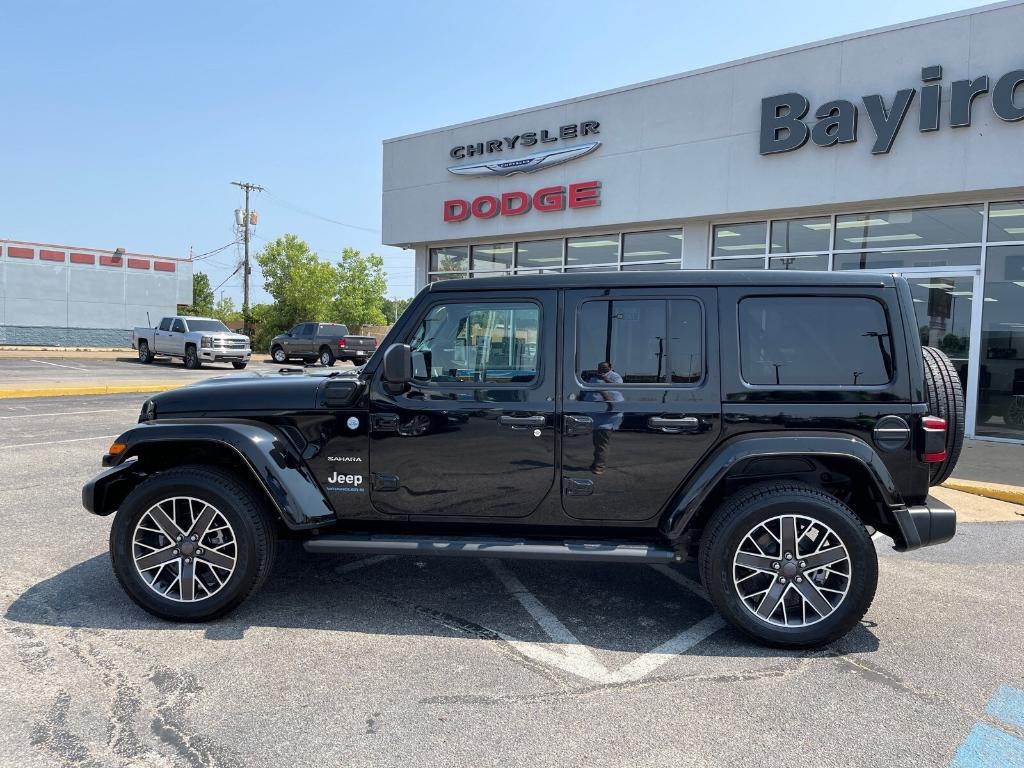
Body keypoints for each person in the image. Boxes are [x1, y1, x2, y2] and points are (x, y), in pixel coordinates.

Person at [582, 361, 623, 474]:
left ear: (610, 368)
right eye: (600, 368)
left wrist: (605, 379)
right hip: (595, 417)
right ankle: (596, 463)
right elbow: (587, 390)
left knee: (602, 444)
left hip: (607, 417)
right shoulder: (594, 378)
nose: (602, 370)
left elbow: (618, 387)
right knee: (597, 443)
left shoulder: (615, 376)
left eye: (605, 368)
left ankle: (599, 467)